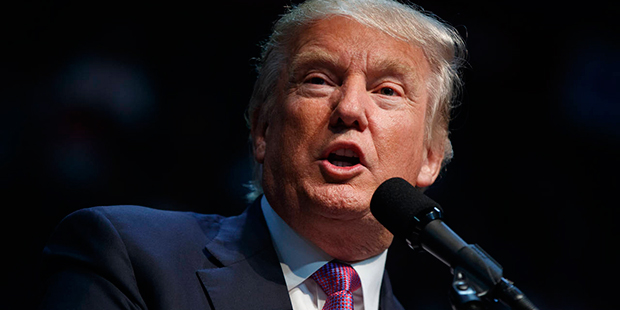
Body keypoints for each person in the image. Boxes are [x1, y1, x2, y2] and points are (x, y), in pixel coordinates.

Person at [38, 0, 466, 309]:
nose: (350, 109)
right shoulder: (130, 257)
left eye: (387, 91)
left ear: (430, 156)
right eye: (318, 80)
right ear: (262, 130)